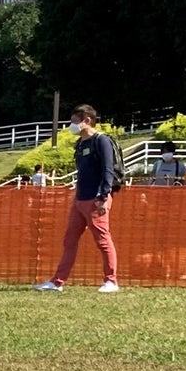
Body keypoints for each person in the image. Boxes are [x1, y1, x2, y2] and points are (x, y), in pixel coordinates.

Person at [35, 104, 120, 294]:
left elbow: (108, 170)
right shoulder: (81, 144)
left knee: (103, 240)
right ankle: (57, 282)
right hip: (79, 199)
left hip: (96, 199)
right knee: (69, 240)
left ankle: (111, 281)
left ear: (87, 120)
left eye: (74, 122)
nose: (71, 126)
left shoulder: (102, 141)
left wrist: (103, 196)